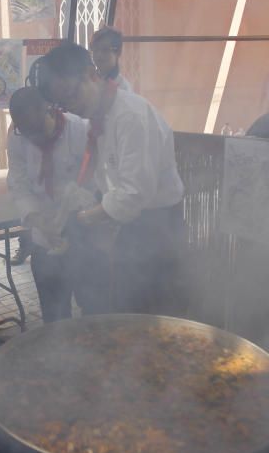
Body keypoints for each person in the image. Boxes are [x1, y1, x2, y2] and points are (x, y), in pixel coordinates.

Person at [37, 42, 185, 314]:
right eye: (62, 104)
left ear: (90, 74)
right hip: (131, 227)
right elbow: (104, 179)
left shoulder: (131, 116)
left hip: (158, 227)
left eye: (71, 95)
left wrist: (81, 220)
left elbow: (133, 194)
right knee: (125, 307)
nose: (70, 107)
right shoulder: (97, 118)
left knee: (157, 313)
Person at [6, 86, 94, 322]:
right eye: (24, 131)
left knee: (94, 309)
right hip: (44, 236)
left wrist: (78, 205)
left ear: (51, 111)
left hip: (84, 233)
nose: (31, 138)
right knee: (54, 316)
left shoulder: (81, 131)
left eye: (35, 130)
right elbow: (18, 183)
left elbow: (98, 183)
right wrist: (37, 220)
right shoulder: (17, 136)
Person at [90, 27, 133, 93]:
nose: (99, 55)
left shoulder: (123, 87)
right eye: (95, 49)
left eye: (105, 50)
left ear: (118, 52)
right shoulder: (88, 81)